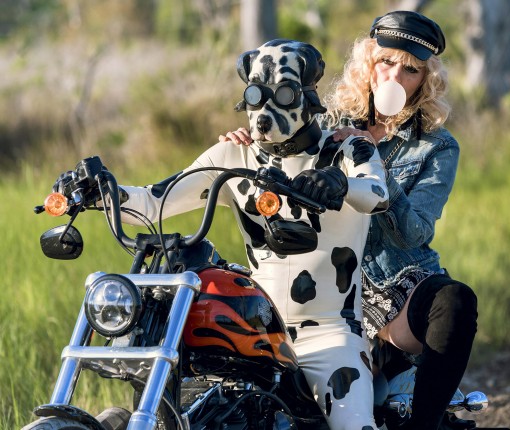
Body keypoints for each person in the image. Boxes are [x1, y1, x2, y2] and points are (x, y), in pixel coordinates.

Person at [58, 39, 389, 430]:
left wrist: (340, 183)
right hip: (258, 330)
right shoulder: (235, 154)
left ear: (307, 94)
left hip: (330, 334)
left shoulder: (346, 149)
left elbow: (377, 194)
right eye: (257, 93)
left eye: (284, 93)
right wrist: (101, 191)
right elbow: (154, 202)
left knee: (355, 424)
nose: (266, 110)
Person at [221, 11, 479, 430]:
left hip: (395, 288)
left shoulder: (436, 146)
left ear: (425, 81)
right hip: (322, 287)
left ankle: (424, 424)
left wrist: (373, 166)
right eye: (386, 62)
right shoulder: (320, 124)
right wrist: (247, 143)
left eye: (411, 70)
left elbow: (415, 232)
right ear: (368, 64)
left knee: (456, 301)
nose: (395, 77)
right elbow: (271, 153)